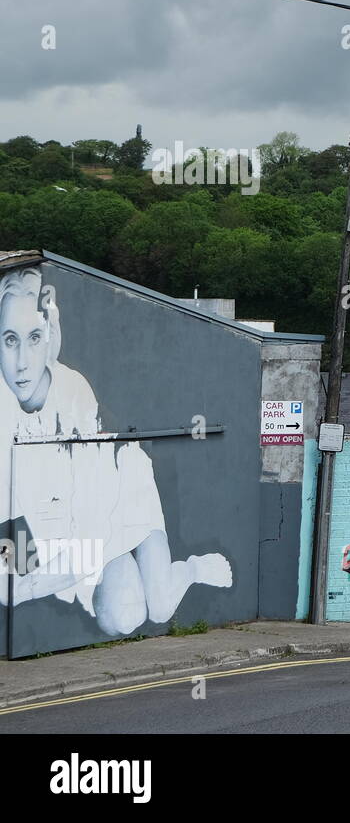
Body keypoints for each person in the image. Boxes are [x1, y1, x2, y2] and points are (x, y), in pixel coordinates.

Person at [0, 266, 231, 633]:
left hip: (121, 495)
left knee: (159, 609)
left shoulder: (75, 394)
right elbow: (12, 561)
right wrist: (28, 574)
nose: (22, 363)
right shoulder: (4, 413)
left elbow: (94, 519)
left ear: (49, 338)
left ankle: (189, 569)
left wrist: (42, 577)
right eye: (10, 340)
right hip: (74, 528)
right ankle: (117, 568)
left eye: (34, 338)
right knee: (121, 619)